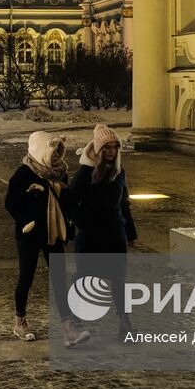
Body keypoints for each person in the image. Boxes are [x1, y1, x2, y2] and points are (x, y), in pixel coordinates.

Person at [5, 131, 88, 347]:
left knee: (60, 279)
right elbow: (11, 203)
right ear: (41, 150)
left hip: (53, 234)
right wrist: (26, 221)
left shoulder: (60, 173)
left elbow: (67, 202)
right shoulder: (24, 173)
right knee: (26, 276)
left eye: (59, 152)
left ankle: (67, 326)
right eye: (53, 152)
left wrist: (72, 220)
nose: (56, 157)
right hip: (29, 234)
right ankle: (20, 320)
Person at [71, 124, 137, 335]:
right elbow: (70, 201)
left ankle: (124, 325)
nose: (111, 151)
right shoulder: (85, 172)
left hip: (114, 233)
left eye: (114, 147)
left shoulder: (119, 172)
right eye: (107, 147)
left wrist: (131, 231)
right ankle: (76, 320)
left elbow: (124, 203)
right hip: (90, 236)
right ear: (98, 150)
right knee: (85, 278)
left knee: (118, 280)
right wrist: (82, 223)